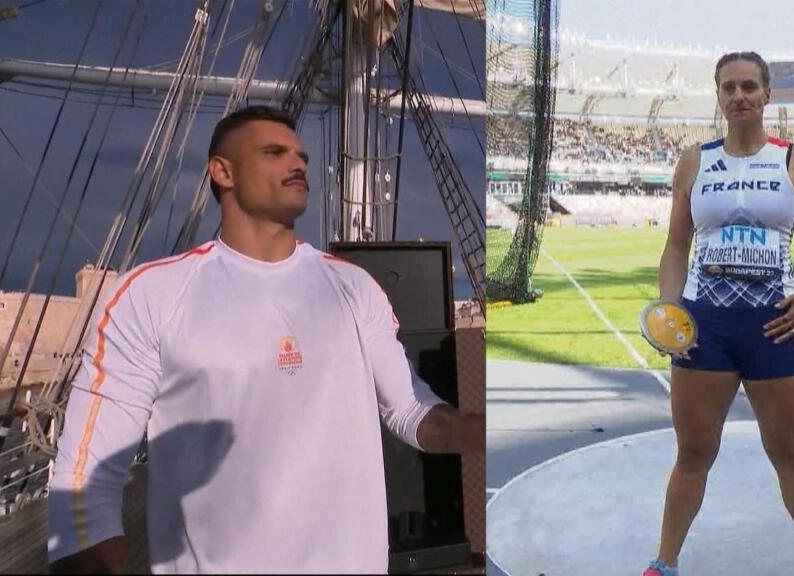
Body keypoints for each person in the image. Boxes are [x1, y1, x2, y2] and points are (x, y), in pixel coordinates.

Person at [47, 105, 484, 574]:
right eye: (274, 152)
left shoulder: (355, 288)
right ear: (222, 171)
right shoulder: (152, 295)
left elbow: (410, 410)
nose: (297, 163)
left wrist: (474, 430)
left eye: (301, 155)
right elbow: (86, 475)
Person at [643, 52, 794, 576]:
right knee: (693, 453)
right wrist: (669, 311)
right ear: (718, 95)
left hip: (776, 325)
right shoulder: (694, 161)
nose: (739, 96)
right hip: (705, 327)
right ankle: (663, 563)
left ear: (766, 94)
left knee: (787, 450)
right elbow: (674, 247)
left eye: (749, 86)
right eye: (729, 87)